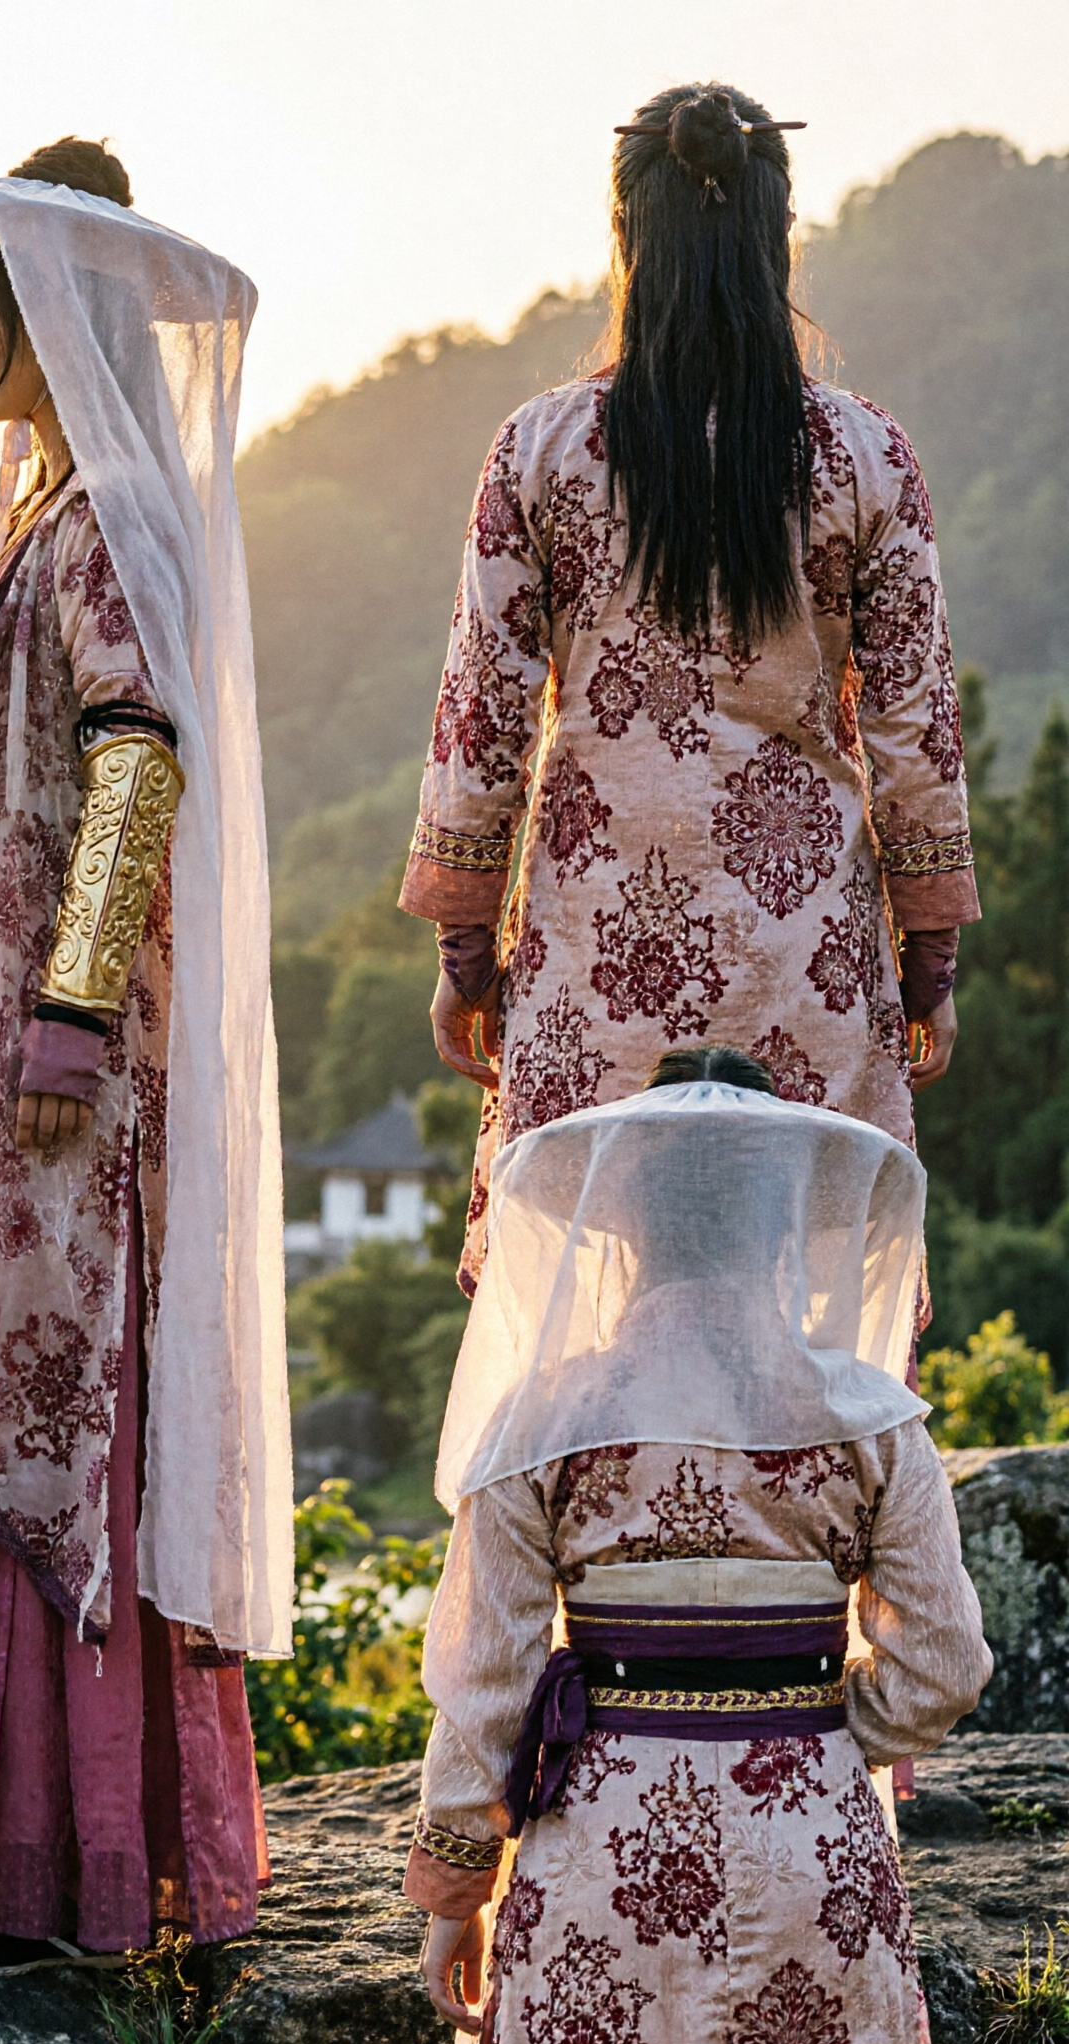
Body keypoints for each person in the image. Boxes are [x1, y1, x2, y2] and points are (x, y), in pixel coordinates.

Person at [0, 140, 291, 1977]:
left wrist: (74, 1002)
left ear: (57, 318)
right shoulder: (33, 518)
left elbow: (134, 751)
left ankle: (46, 1862)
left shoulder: (102, 522)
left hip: (43, 1055)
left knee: (45, 1400)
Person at [401, 85, 979, 1291]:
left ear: (625, 241)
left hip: (595, 959)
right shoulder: (864, 455)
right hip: (803, 958)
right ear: (775, 241)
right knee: (795, 1333)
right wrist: (925, 967)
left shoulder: (540, 451)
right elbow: (915, 731)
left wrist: (467, 958)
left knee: (588, 1325)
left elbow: (480, 720)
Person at [404, 1044, 991, 2042]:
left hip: (598, 1852)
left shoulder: (545, 1415)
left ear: (624, 1225)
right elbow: (940, 1663)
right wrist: (813, 1725)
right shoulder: (871, 1418)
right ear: (782, 1228)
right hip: (811, 1851)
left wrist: (454, 1893)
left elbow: (483, 1684)